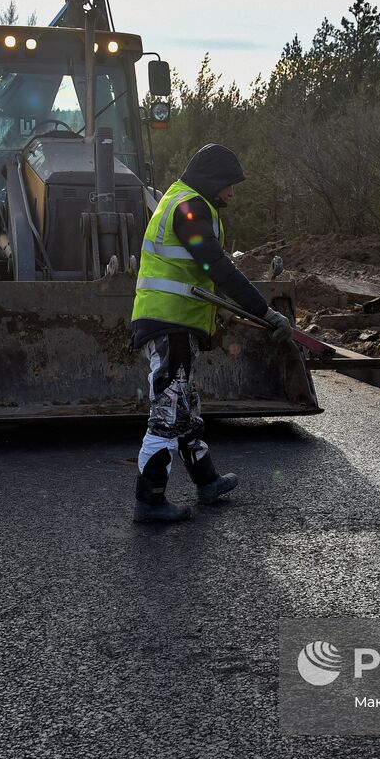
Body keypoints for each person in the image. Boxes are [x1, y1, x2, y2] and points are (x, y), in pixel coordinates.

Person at [129, 143, 292, 522]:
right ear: (213, 181)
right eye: (230, 185)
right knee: (169, 414)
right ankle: (149, 501)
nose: (232, 193)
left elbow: (197, 274)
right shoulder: (190, 209)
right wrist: (264, 311)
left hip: (171, 322)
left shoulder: (179, 202)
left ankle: (207, 482)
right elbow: (217, 266)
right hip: (170, 324)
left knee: (184, 409)